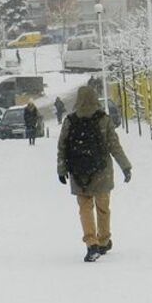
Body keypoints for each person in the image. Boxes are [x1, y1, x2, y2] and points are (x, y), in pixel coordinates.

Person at [57, 86, 132, 262]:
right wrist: (125, 166)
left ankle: (91, 243)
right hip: (102, 171)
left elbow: (62, 146)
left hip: (78, 172)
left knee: (85, 208)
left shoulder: (70, 121)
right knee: (103, 207)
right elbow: (114, 146)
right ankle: (104, 240)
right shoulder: (103, 119)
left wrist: (61, 169)